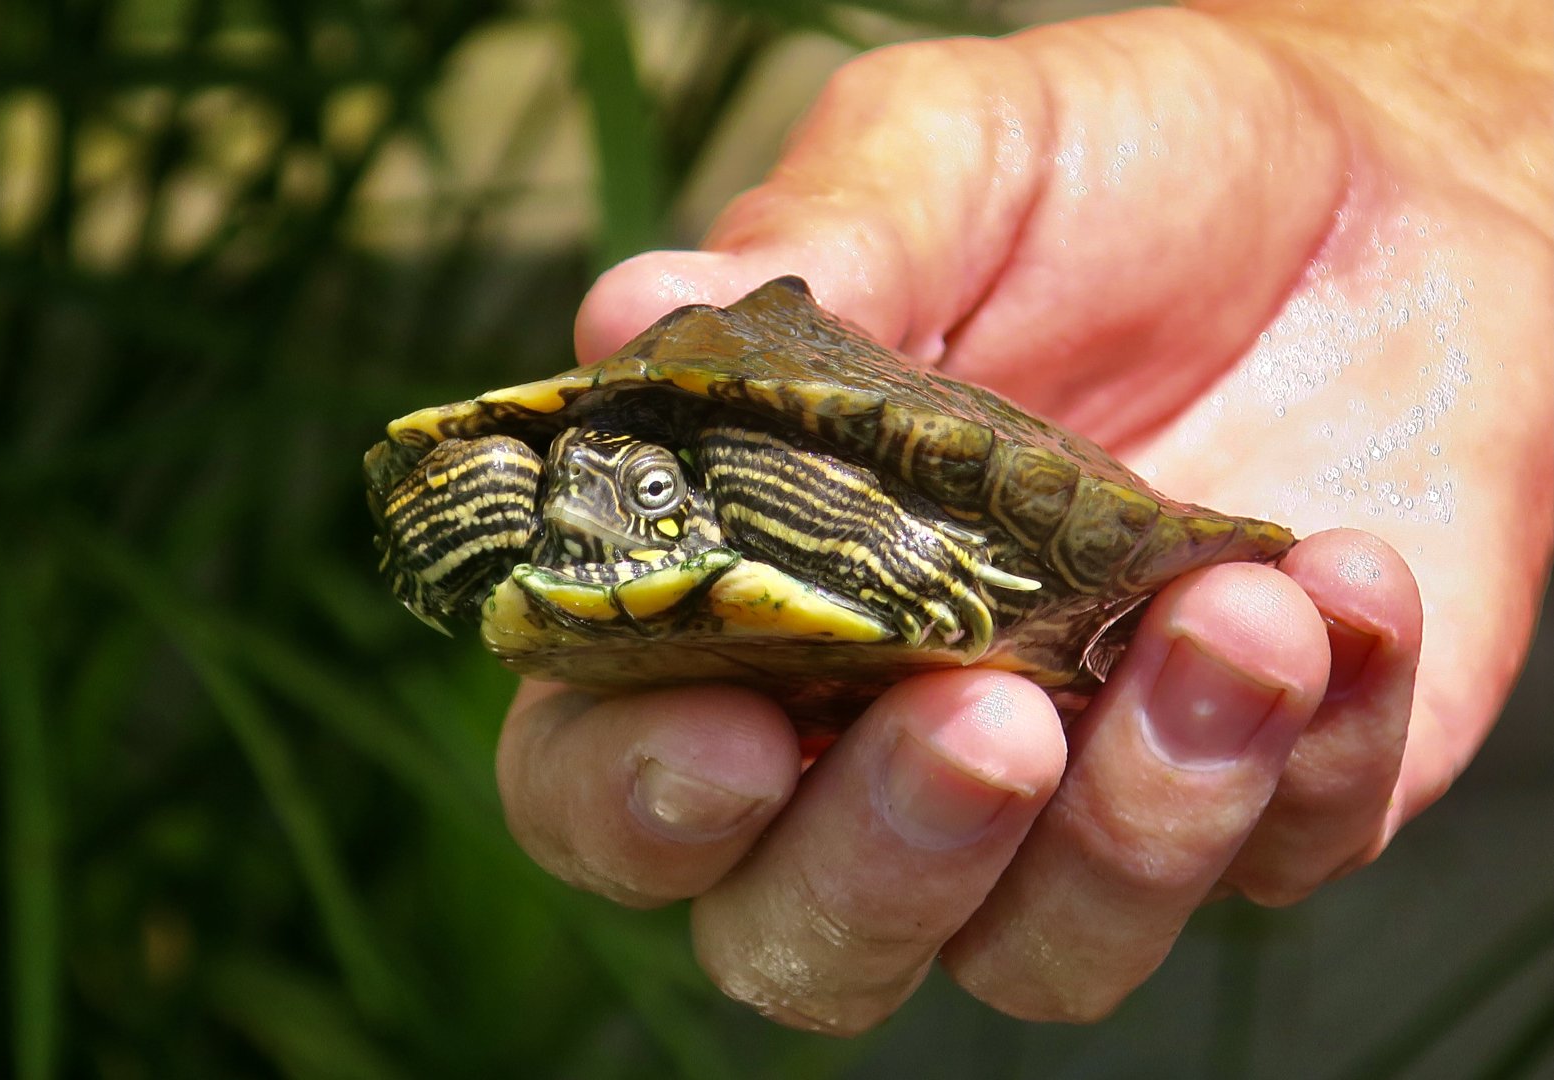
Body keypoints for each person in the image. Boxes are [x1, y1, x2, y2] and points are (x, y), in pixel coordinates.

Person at [493, 0, 1552, 1032]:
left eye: (641, 493)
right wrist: (1431, 105)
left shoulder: (759, 473)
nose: (579, 495)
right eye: (570, 483)